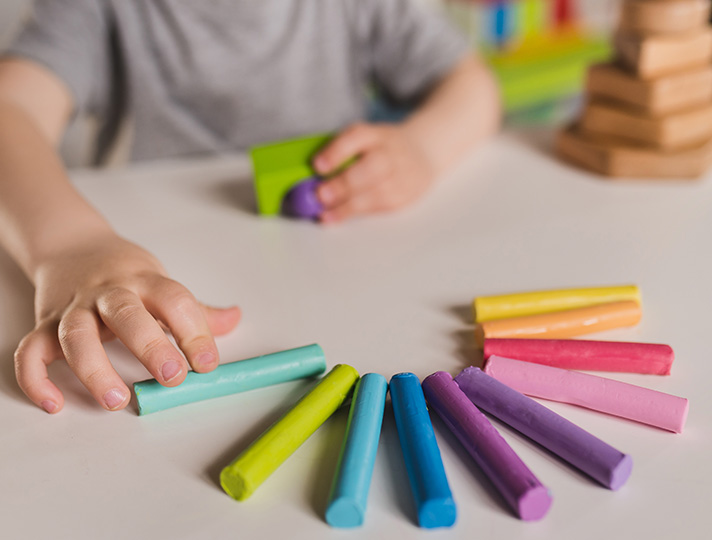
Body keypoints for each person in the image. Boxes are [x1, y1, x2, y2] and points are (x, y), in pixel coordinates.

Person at [0, 0, 501, 414]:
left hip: (336, 267)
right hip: (164, 263)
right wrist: (72, 244)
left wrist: (422, 149)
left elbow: (472, 85)